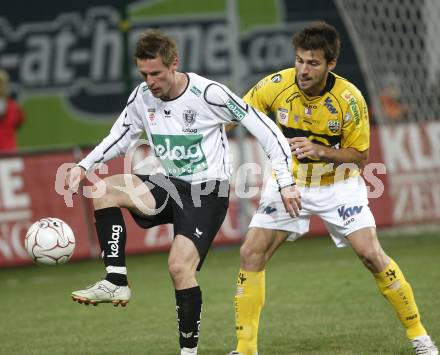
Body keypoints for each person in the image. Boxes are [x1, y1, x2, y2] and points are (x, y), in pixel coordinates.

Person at [63, 29, 301, 355]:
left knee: (179, 268)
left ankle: (188, 353)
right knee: (103, 190)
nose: (151, 81)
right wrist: (84, 165)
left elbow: (265, 128)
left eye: (157, 74)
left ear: (175, 63)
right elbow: (119, 136)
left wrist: (285, 179)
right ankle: (116, 281)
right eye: (144, 74)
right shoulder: (142, 96)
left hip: (207, 192)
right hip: (170, 183)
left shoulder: (208, 94)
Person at [229, 22, 438, 355]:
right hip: (291, 182)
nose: (303, 69)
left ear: (331, 65)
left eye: (313, 63)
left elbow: (359, 157)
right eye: (299, 60)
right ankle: (245, 349)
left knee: (371, 255)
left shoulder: (349, 100)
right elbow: (234, 114)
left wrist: (321, 150)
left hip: (338, 186)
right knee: (250, 254)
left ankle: (420, 337)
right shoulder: (276, 85)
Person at [0, 70, 25, 152]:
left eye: (3, 83)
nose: (1, 86)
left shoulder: (14, 106)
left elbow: (19, 122)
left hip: (10, 153)